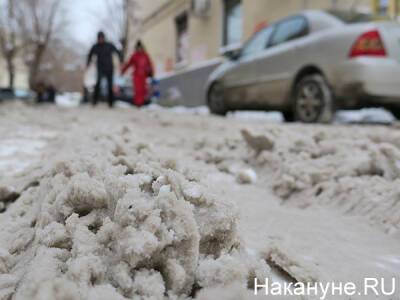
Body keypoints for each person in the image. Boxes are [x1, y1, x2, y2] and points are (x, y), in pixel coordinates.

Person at [87, 31, 122, 107]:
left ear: (104, 38)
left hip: (109, 68)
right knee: (98, 84)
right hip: (100, 68)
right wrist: (88, 64)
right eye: (99, 38)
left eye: (102, 38)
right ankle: (94, 101)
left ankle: (111, 103)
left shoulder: (109, 45)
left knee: (110, 85)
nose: (101, 39)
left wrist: (121, 60)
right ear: (97, 38)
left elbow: (117, 52)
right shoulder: (96, 46)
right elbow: (90, 54)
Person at [121, 40, 154, 107]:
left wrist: (151, 72)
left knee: (143, 90)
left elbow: (149, 64)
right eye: (138, 48)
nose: (139, 49)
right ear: (136, 48)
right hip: (136, 76)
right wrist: (123, 70)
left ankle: (142, 103)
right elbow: (129, 64)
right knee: (137, 90)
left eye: (140, 47)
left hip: (143, 76)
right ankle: (138, 103)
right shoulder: (134, 56)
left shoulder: (145, 55)